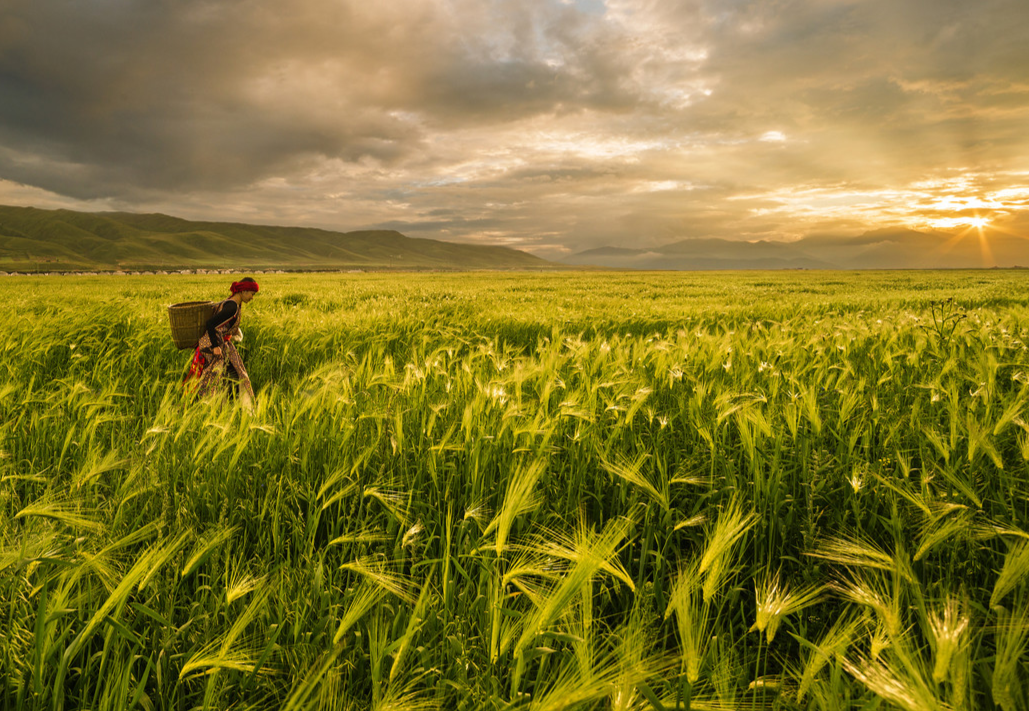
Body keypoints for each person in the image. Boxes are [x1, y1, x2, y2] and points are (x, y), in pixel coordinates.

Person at [185, 277, 259, 407]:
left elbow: (221, 324)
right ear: (243, 291)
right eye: (252, 294)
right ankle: (204, 405)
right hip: (213, 345)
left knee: (230, 375)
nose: (252, 298)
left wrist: (232, 330)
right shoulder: (232, 307)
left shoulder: (231, 303)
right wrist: (215, 347)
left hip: (220, 344)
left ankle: (225, 406)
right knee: (213, 378)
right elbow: (211, 324)